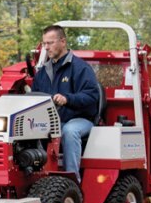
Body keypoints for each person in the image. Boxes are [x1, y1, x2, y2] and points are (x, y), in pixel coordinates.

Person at [31, 24, 101, 175]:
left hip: (80, 119)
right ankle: (38, 175)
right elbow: (34, 98)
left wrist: (67, 99)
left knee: (69, 131)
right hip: (52, 121)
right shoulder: (42, 73)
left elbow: (92, 95)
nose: (46, 47)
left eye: (50, 43)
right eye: (44, 44)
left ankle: (72, 179)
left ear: (62, 42)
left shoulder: (80, 68)